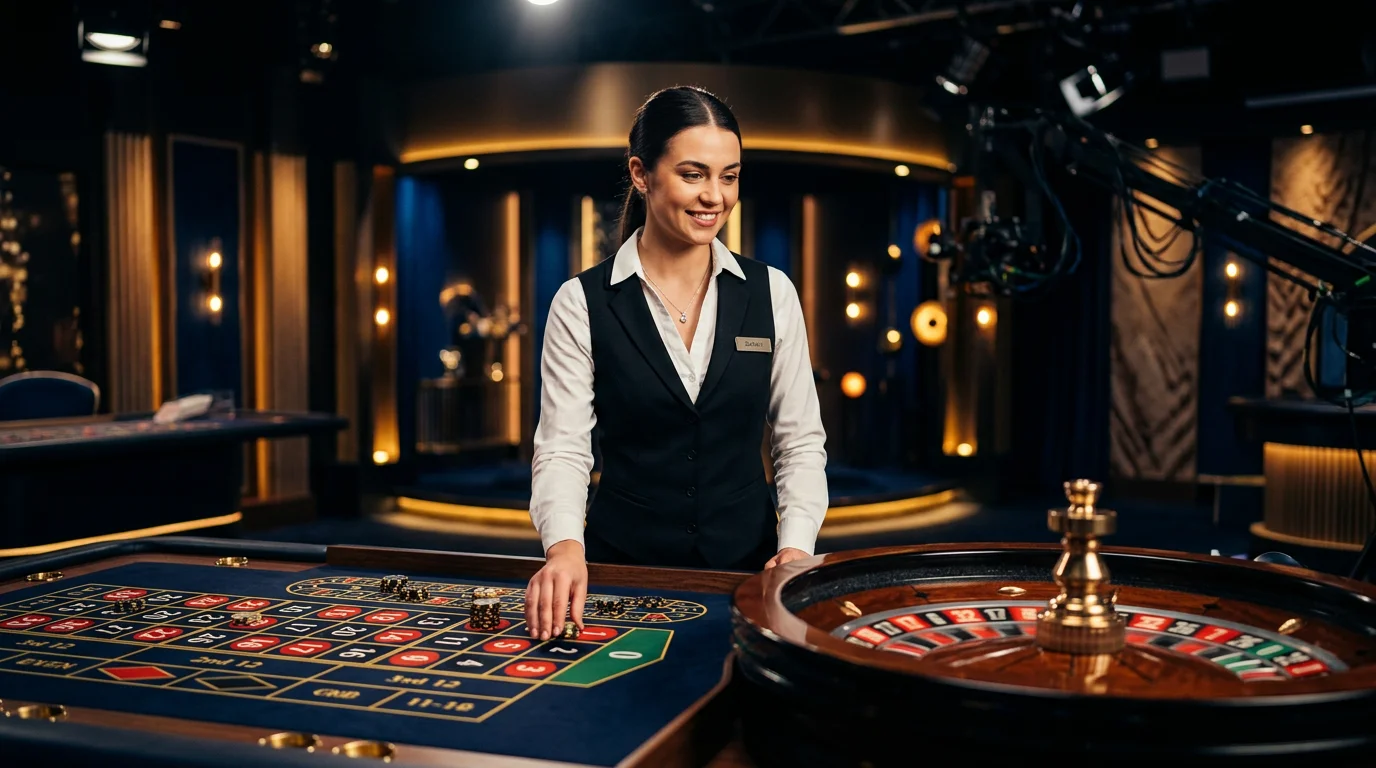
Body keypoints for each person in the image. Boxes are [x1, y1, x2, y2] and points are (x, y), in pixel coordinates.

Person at [524, 86, 828, 640]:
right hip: (621, 572)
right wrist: (564, 547)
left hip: (748, 572)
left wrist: (795, 547)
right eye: (693, 174)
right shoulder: (580, 302)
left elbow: (800, 442)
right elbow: (564, 448)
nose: (715, 196)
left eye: (729, 176)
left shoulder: (772, 293)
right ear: (640, 174)